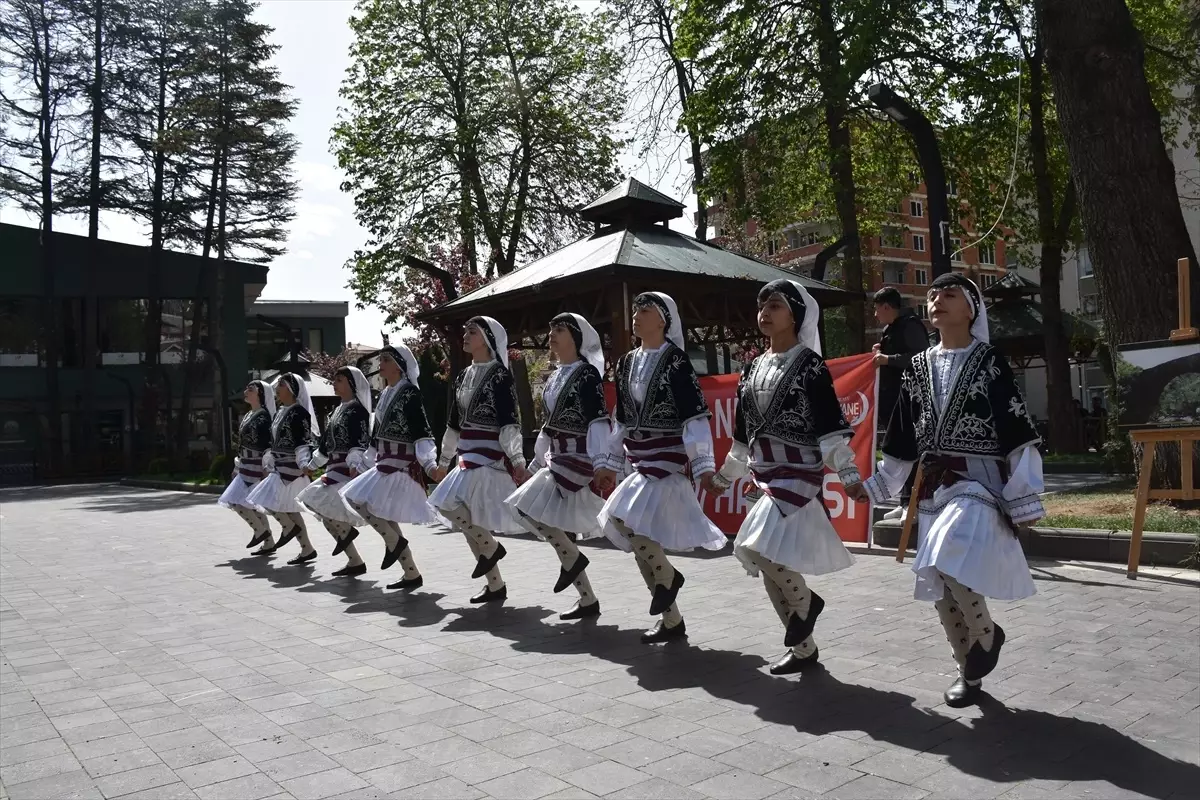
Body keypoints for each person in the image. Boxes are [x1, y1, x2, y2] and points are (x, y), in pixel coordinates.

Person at [847, 273, 1043, 708]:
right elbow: (900, 439)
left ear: (971, 309)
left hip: (979, 483)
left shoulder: (990, 360)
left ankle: (987, 637)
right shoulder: (918, 367)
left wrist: (1024, 493)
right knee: (939, 589)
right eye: (933, 294)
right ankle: (967, 674)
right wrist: (876, 486)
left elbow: (1016, 428)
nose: (937, 300)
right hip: (933, 490)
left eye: (949, 294)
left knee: (943, 555)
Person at [710, 280, 861, 675]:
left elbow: (829, 426)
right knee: (768, 566)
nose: (764, 312)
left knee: (756, 549)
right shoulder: (752, 368)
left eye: (774, 305)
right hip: (764, 476)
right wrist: (726, 478)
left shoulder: (810, 365)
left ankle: (809, 604)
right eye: (761, 305)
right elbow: (743, 436)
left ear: (794, 314)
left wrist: (847, 472)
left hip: (797, 475)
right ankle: (804, 649)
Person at [594, 292, 727, 644]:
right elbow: (620, 419)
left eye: (645, 310)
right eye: (635, 310)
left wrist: (703, 468)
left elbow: (694, 420)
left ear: (663, 320)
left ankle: (669, 579)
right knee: (639, 541)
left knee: (631, 528)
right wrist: (610, 463)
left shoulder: (677, 363)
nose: (636, 316)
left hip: (666, 462)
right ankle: (672, 620)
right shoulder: (625, 364)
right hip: (639, 460)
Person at [505, 313, 609, 621]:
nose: (552, 334)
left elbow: (598, 421)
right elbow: (548, 428)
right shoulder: (556, 375)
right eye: (550, 329)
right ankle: (587, 598)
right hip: (557, 458)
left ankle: (575, 561)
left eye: (559, 330)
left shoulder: (587, 375)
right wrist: (536, 463)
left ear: (575, 338)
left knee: (528, 508)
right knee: (548, 519)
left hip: (577, 459)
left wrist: (602, 462)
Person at [429, 317, 530, 603]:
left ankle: (491, 548)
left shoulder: (500, 376)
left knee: (448, 506)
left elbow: (510, 421)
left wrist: (517, 458)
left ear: (486, 338)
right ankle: (495, 583)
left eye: (471, 332)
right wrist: (443, 459)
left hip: (488, 456)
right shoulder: (461, 377)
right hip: (466, 454)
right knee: (463, 517)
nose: (465, 335)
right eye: (465, 331)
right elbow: (453, 424)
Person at [340, 345, 439, 590]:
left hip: (401, 465)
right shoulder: (384, 395)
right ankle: (410, 572)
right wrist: (363, 463)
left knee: (362, 502)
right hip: (383, 462)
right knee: (366, 504)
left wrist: (429, 463)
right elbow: (376, 438)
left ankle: (397, 546)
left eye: (385, 359)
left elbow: (421, 432)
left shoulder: (410, 394)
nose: (380, 364)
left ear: (398, 365)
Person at [296, 367, 373, 577]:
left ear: (351, 384)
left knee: (322, 507)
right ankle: (354, 559)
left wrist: (356, 464)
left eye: (339, 380)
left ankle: (351, 548)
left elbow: (361, 442)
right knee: (318, 506)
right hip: (333, 468)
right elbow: (323, 447)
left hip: (348, 471)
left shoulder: (358, 411)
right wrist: (310, 466)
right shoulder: (336, 411)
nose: (334, 384)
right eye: (335, 380)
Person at [871, 287, 931, 521]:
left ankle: (915, 504)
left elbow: (920, 357)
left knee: (911, 453)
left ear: (887, 307)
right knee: (901, 451)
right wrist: (881, 351)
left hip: (910, 400)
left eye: (877, 309)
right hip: (894, 401)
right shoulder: (891, 328)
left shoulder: (911, 325)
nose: (876, 315)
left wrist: (888, 359)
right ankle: (906, 501)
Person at [246, 373, 319, 565]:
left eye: (281, 385)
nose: (277, 389)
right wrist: (269, 459)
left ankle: (289, 529)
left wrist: (304, 463)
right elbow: (273, 440)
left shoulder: (300, 413)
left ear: (292, 389)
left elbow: (304, 441)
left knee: (265, 500)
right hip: (279, 467)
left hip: (292, 469)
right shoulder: (280, 411)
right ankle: (307, 549)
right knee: (287, 509)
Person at [217, 381, 278, 555]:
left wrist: (266, 468)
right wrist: (238, 465)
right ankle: (268, 541)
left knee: (237, 501)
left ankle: (261, 532)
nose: (245, 391)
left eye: (250, 389)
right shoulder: (250, 415)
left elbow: (268, 444)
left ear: (260, 394)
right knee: (249, 504)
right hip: (245, 464)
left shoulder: (264, 417)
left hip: (256, 465)